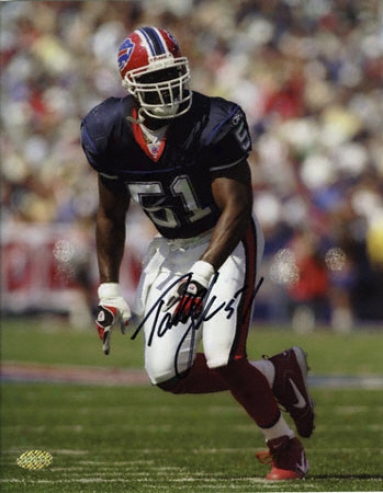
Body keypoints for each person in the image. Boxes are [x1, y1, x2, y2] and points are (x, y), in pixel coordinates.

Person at [80, 26, 314, 480]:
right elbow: (109, 214)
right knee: (167, 373)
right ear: (130, 86)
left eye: (172, 74)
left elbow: (239, 205)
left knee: (225, 355)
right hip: (170, 248)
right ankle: (278, 371)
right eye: (153, 78)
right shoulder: (106, 129)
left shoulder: (213, 120)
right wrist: (109, 290)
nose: (167, 86)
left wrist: (205, 272)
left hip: (226, 239)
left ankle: (285, 447)